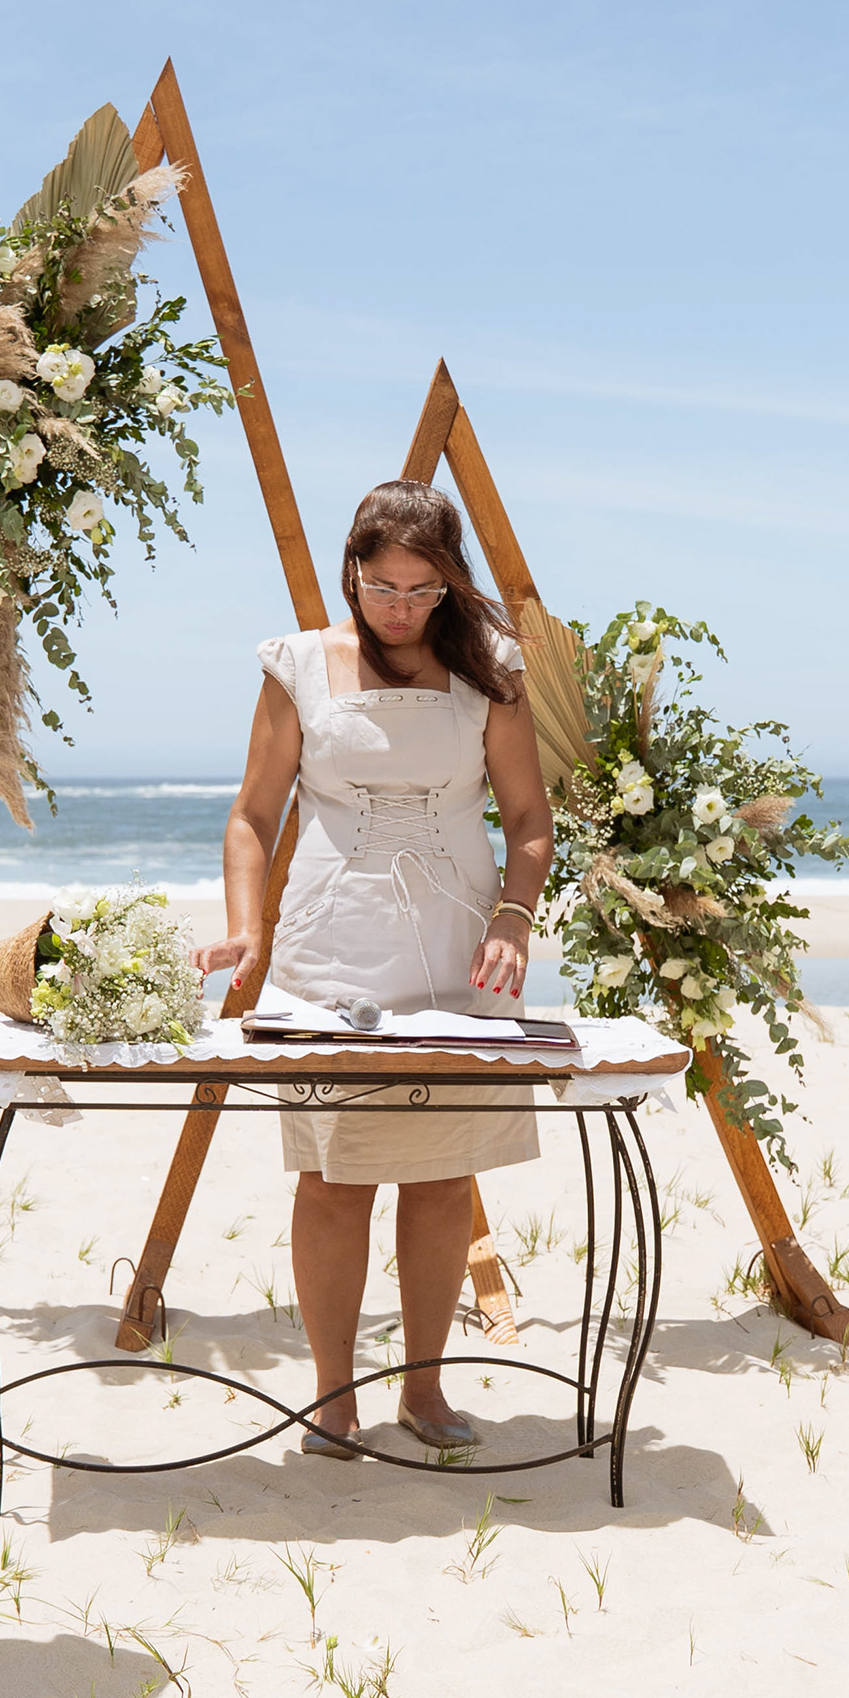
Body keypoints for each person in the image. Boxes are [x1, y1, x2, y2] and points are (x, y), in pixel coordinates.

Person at [193, 482, 556, 1460]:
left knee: (441, 1178)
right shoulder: (298, 665)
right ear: (351, 571)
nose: (400, 607)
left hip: (458, 954)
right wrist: (247, 928)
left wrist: (515, 920)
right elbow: (252, 816)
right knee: (333, 1179)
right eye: (383, 586)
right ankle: (333, 1396)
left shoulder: (491, 670)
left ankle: (424, 1390)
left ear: (449, 584)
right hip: (329, 954)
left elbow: (530, 821)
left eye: (421, 590)